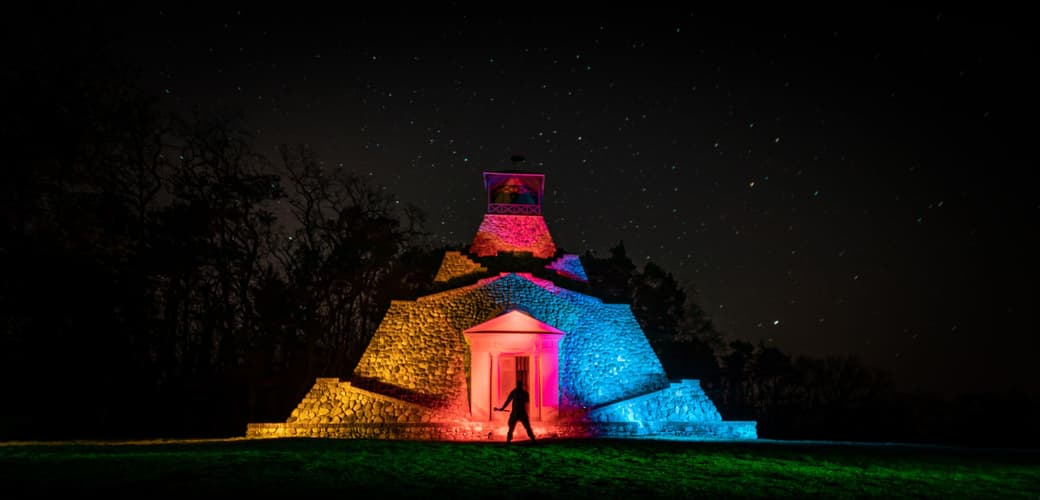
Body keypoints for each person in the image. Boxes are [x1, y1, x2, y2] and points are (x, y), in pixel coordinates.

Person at [495, 379, 536, 443]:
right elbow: (527, 402)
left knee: (512, 427)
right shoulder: (523, 392)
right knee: (523, 426)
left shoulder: (515, 392)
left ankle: (509, 439)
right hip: (520, 412)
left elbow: (508, 400)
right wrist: (503, 407)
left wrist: (503, 407)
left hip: (516, 412)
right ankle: (532, 438)